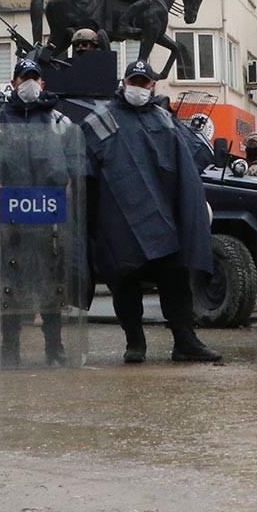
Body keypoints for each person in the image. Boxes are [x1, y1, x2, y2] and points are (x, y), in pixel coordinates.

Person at [81, 62, 220, 364]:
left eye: (145, 82)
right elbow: (83, 168)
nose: (140, 87)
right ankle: (135, 343)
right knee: (125, 282)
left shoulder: (164, 118)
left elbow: (188, 161)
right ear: (123, 81)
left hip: (163, 220)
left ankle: (185, 342)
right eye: (135, 81)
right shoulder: (100, 119)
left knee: (175, 281)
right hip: (119, 220)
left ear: (153, 86)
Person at [0, 59, 85, 365]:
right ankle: (9, 348)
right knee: (11, 282)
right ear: (13, 83)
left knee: (52, 282)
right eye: (25, 78)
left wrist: (69, 187)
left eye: (35, 78)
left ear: (43, 83)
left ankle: (55, 348)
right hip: (11, 216)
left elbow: (74, 158)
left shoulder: (58, 119)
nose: (31, 83)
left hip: (50, 215)